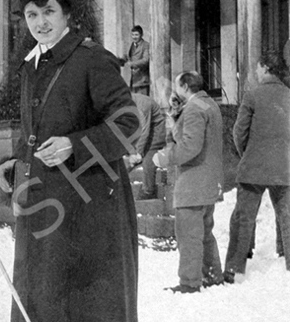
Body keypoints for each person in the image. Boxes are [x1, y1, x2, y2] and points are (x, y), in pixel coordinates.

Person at [0, 0, 144, 322]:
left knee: (96, 308)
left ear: (67, 15)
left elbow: (129, 124)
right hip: (45, 207)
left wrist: (76, 145)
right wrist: (16, 165)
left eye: (49, 13)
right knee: (48, 298)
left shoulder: (91, 59)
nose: (40, 23)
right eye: (32, 15)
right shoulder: (32, 65)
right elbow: (33, 131)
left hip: (91, 211)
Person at [153, 72, 224, 293]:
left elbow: (191, 146)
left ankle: (190, 283)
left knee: (188, 234)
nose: (175, 90)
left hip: (193, 182)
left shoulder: (193, 109)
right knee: (204, 231)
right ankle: (212, 275)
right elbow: (194, 138)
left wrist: (165, 157)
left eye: (177, 86)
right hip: (208, 180)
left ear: (184, 86)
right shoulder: (208, 104)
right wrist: (176, 120)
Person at [223, 51, 290, 282]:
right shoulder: (289, 96)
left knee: (243, 218)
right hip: (284, 168)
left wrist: (247, 154)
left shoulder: (252, 96)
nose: (256, 71)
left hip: (254, 167)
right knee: (287, 218)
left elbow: (239, 132)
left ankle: (235, 270)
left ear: (264, 68)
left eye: (258, 68)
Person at [124, 93, 166, 200]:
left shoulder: (142, 106)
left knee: (148, 157)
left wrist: (138, 153)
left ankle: (148, 191)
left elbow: (144, 132)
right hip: (140, 130)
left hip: (157, 130)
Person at [120, 25, 150, 95]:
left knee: (142, 101)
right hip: (132, 80)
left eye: (136, 35)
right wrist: (121, 60)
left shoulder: (146, 45)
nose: (134, 37)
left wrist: (132, 64)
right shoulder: (131, 45)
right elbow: (127, 57)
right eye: (133, 35)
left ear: (141, 35)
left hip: (142, 80)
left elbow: (146, 60)